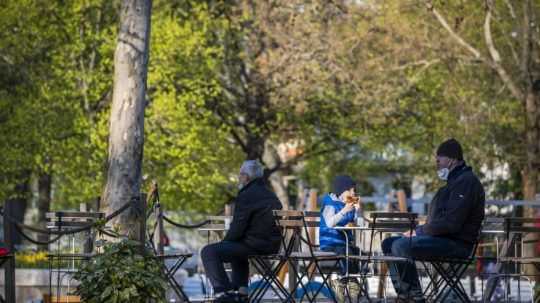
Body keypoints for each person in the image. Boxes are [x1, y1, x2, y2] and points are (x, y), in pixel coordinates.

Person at [381, 138, 485, 303]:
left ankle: (415, 297)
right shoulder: (450, 185)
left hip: (457, 244)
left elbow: (451, 224)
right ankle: (405, 295)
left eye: (439, 160)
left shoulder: (466, 182)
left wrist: (418, 232)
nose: (436, 164)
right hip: (440, 238)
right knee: (388, 243)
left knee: (400, 245)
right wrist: (419, 231)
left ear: (451, 159)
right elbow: (437, 220)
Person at [201, 160, 282, 303]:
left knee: (209, 252)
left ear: (247, 177)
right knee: (237, 248)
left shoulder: (246, 195)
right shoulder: (271, 195)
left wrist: (225, 241)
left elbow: (238, 227)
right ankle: (241, 292)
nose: (239, 177)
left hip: (255, 246)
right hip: (272, 246)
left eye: (240, 175)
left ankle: (224, 293)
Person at [320, 175, 362, 275]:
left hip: (344, 242)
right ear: (341, 190)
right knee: (349, 254)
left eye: (354, 190)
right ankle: (346, 279)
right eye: (350, 190)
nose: (353, 193)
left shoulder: (348, 202)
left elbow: (356, 223)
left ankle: (350, 280)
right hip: (330, 243)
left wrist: (358, 212)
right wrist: (344, 210)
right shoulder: (330, 202)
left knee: (358, 253)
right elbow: (329, 223)